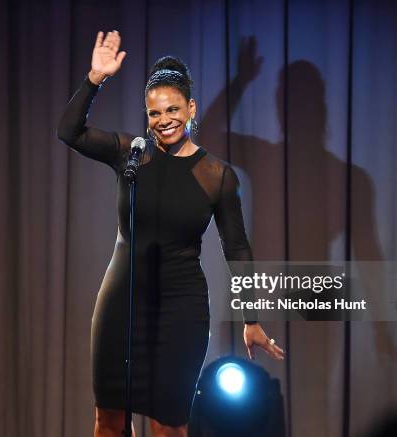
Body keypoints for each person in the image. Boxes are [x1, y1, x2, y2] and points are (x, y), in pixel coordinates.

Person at [57, 30, 285, 437]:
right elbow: (69, 132)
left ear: (191, 107)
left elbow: (237, 246)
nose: (164, 121)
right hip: (121, 302)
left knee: (169, 426)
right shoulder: (131, 153)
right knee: (108, 419)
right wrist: (96, 78)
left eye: (173, 109)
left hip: (181, 309)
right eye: (155, 113)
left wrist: (251, 318)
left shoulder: (216, 175)